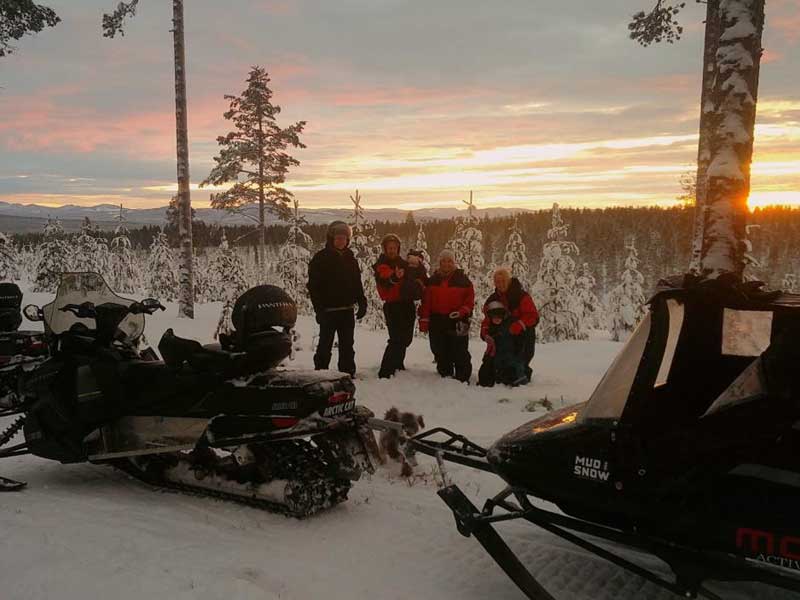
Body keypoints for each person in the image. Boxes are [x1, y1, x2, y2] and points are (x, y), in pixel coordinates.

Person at [307, 221, 367, 377]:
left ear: (348, 240)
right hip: (328, 311)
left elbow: (356, 283)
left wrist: (362, 302)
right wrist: (319, 309)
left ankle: (347, 374)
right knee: (325, 345)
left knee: (347, 345)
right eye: (338, 238)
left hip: (347, 310)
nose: (341, 241)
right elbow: (314, 287)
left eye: (344, 238)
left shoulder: (350, 259)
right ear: (331, 239)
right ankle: (320, 374)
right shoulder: (320, 259)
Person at [418, 249, 474, 382]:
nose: (447, 264)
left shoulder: (463, 280)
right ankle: (445, 372)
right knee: (439, 348)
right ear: (440, 263)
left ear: (454, 263)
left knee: (460, 349)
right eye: (444, 261)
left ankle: (463, 375)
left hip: (459, 319)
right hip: (438, 319)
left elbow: (470, 301)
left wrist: (461, 312)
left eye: (450, 261)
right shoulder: (433, 280)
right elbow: (426, 302)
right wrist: (424, 319)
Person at [373, 234, 424, 379]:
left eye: (394, 248)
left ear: (398, 249)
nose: (392, 250)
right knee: (396, 338)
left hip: (406, 304)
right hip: (393, 305)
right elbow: (385, 277)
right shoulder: (381, 264)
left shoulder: (403, 263)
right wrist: (395, 277)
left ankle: (398, 364)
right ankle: (385, 371)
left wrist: (418, 264)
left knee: (406, 338)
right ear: (384, 249)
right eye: (389, 248)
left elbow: (416, 274)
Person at [478, 267, 539, 385]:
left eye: (503, 281)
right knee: (487, 376)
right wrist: (484, 333)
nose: (500, 284)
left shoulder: (521, 296)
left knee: (514, 369)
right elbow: (487, 319)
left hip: (522, 337)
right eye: (497, 282)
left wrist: (519, 325)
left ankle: (521, 372)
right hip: (502, 337)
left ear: (509, 281)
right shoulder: (493, 299)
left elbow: (533, 316)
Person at [478, 301, 527, 387]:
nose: (497, 319)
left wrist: (518, 351)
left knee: (511, 373)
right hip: (495, 358)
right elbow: (484, 334)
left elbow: (520, 342)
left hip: (510, 357)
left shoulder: (510, 326)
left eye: (499, 316)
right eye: (494, 316)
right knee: (485, 376)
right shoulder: (490, 328)